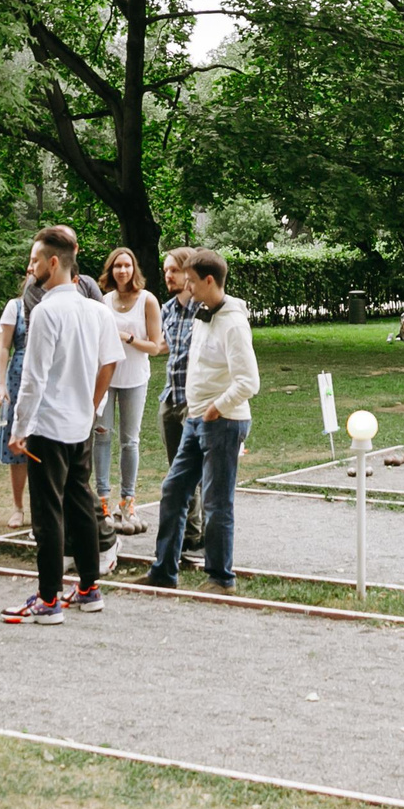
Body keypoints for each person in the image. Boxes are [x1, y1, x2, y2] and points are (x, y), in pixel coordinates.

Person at [3, 226, 121, 624]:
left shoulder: (46, 311)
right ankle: (88, 588)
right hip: (80, 424)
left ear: (54, 263)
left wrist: (18, 430)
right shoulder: (98, 310)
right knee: (81, 503)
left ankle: (48, 597)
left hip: (48, 426)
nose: (30, 266)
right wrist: (93, 404)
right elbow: (111, 361)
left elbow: (34, 380)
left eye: (35, 259)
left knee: (48, 513)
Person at [140, 248, 259, 593]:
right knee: (173, 489)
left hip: (223, 422)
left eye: (191, 281)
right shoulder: (202, 314)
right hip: (196, 419)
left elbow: (249, 381)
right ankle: (164, 571)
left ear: (209, 280)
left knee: (216, 501)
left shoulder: (234, 323)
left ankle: (221, 578)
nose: (187, 287)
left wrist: (215, 407)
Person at [94, 247, 162, 533]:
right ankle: (102, 501)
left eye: (127, 266)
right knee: (102, 436)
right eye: (117, 266)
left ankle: (128, 501)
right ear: (110, 271)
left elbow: (155, 347)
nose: (122, 271)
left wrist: (128, 337)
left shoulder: (147, 300)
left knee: (129, 441)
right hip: (106, 378)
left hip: (134, 378)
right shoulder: (103, 301)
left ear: (134, 270)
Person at [155, 249, 204, 556]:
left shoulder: (204, 308)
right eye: (165, 271)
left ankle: (195, 533)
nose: (168, 276)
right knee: (176, 467)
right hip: (170, 398)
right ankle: (187, 529)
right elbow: (167, 350)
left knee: (191, 469)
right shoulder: (168, 309)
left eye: (173, 270)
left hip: (193, 399)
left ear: (189, 273)